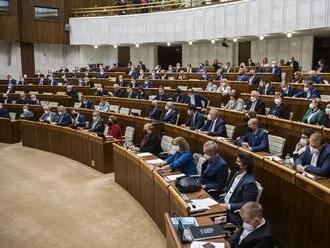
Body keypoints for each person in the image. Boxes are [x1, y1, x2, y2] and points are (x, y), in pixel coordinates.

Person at [219, 152, 258, 225]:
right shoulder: (237, 173)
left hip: (232, 213)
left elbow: (246, 204)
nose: (235, 163)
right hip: (223, 203)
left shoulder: (249, 183)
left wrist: (228, 206)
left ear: (245, 166)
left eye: (238, 162)